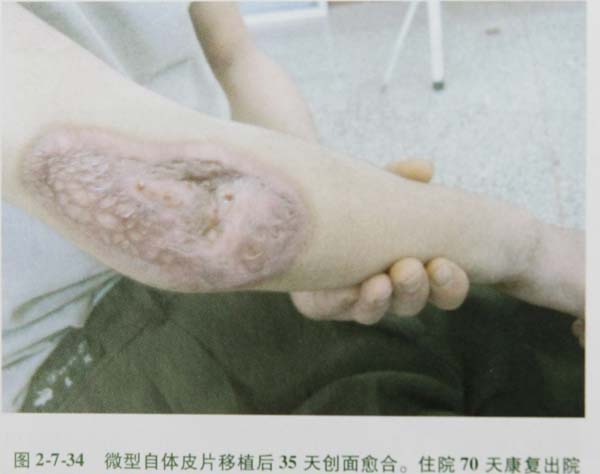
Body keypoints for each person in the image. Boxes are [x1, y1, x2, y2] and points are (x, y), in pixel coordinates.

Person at [2, 2, 584, 414]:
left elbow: (234, 56)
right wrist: (537, 250)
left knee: (546, 353)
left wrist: (330, 232)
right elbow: (191, 213)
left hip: (255, 271)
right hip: (70, 352)